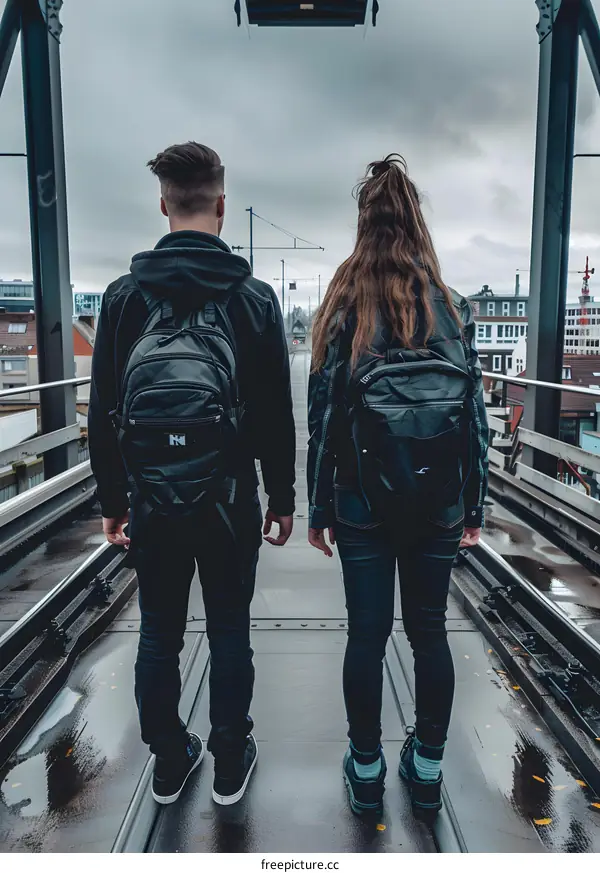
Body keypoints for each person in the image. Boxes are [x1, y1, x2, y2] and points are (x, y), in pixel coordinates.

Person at [89, 141, 295, 807]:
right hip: (229, 498)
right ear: (223, 206)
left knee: (159, 631)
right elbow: (273, 413)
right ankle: (230, 758)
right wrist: (283, 496)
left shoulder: (123, 297)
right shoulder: (254, 299)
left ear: (162, 204)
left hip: (152, 499)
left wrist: (112, 498)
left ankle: (171, 756)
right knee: (230, 627)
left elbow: (103, 411)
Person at [307, 155, 488, 820]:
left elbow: (323, 417)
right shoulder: (454, 305)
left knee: (367, 635)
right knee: (429, 633)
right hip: (438, 502)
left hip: (361, 500)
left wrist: (319, 507)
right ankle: (429, 766)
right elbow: (474, 418)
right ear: (417, 220)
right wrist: (474, 503)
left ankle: (364, 767)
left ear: (365, 223)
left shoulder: (345, 301)